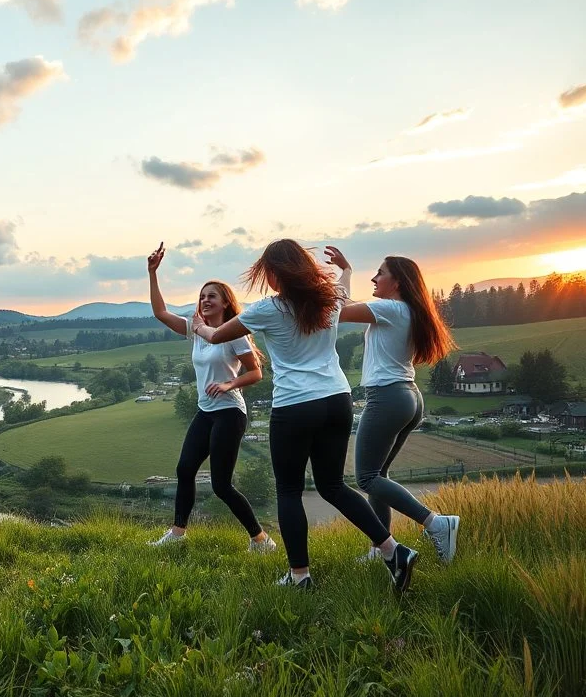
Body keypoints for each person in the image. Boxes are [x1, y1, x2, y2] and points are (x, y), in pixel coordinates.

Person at [193, 239, 418, 593]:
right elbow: (343, 289)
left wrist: (199, 328)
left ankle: (299, 576)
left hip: (295, 405)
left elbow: (219, 335)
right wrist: (347, 270)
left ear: (272, 273)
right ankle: (393, 551)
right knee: (333, 485)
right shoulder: (329, 299)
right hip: (337, 400)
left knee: (288, 489)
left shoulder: (268, 308)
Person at [325, 247, 461, 564]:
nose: (375, 278)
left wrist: (346, 273)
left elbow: (339, 309)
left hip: (387, 397)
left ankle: (436, 523)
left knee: (366, 478)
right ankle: (379, 548)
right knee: (379, 475)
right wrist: (346, 271)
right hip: (408, 396)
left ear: (397, 282)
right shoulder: (406, 311)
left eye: (380, 273)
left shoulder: (392, 308)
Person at [145, 243, 275, 553]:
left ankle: (261, 540)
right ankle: (177, 534)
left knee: (221, 485)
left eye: (211, 296)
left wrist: (230, 384)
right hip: (205, 411)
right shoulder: (195, 330)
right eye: (202, 296)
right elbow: (161, 313)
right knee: (185, 469)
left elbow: (256, 372)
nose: (204, 300)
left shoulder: (235, 333)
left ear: (225, 303)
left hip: (230, 413)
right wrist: (152, 273)